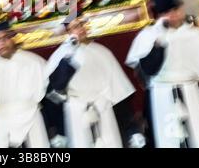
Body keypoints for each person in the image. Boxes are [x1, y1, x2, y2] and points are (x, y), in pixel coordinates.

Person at [126, 0, 199, 148]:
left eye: (176, 10)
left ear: (181, 9)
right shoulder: (147, 36)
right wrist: (160, 42)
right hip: (159, 98)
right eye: (166, 12)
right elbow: (148, 70)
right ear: (159, 16)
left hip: (193, 95)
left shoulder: (197, 35)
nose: (173, 15)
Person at [45, 15, 145, 148]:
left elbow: (119, 92)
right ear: (68, 32)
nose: (80, 29)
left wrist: (132, 130)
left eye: (81, 24)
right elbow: (55, 90)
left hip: (103, 107)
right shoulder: (61, 55)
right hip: (77, 110)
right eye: (75, 27)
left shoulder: (102, 52)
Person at [0, 21, 50, 148]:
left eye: (6, 37)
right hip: (2, 120)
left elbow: (48, 92)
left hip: (31, 117)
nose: (2, 42)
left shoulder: (33, 61)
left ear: (12, 38)